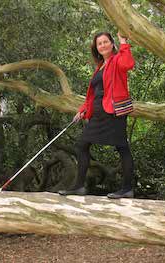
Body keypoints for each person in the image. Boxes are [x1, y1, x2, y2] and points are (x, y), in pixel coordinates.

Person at [59, 31, 135, 199]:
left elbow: (128, 64)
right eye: (99, 43)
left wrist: (124, 42)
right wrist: (82, 109)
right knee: (82, 145)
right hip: (98, 113)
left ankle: (127, 188)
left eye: (105, 42)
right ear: (96, 48)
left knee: (122, 147)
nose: (102, 45)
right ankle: (79, 186)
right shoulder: (100, 66)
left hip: (114, 112)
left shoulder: (117, 60)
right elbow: (93, 93)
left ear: (111, 43)